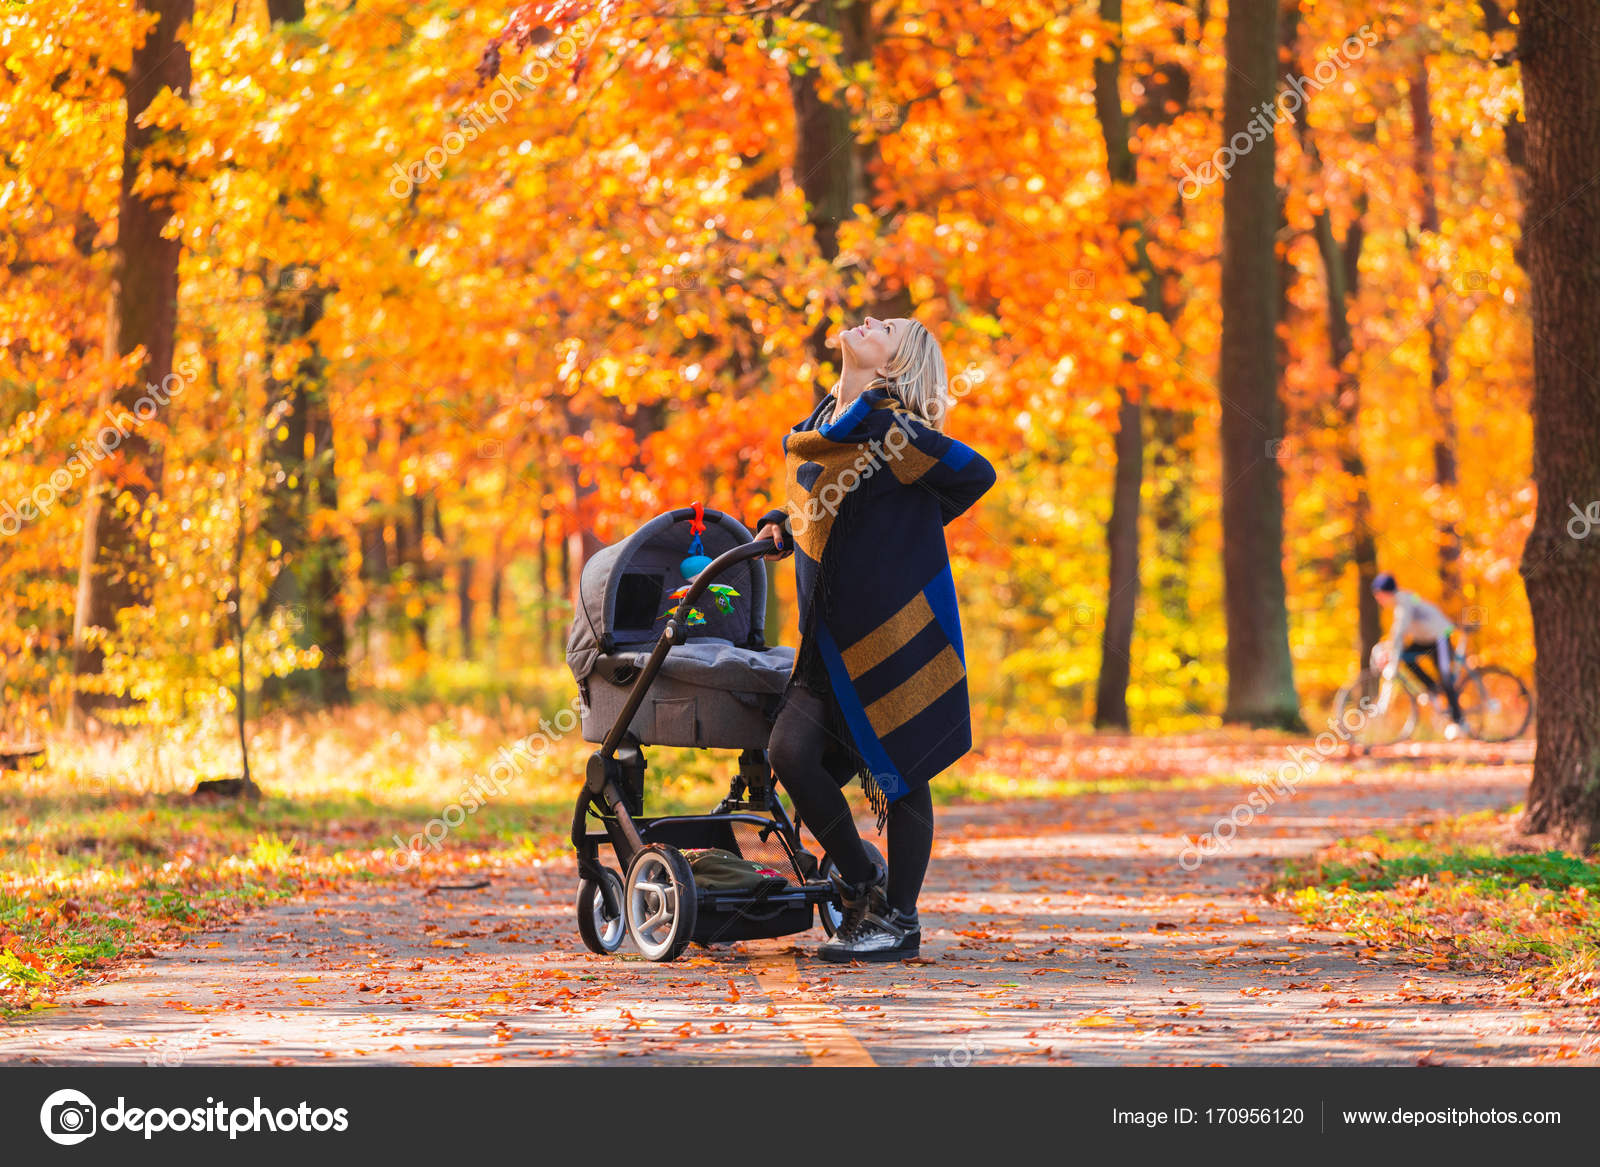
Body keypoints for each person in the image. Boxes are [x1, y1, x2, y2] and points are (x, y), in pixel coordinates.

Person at [755, 315, 995, 962]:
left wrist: (911, 528)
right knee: (791, 752)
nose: (867, 321)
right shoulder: (823, 425)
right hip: (826, 637)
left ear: (893, 365)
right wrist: (784, 522)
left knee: (903, 769)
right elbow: (829, 513)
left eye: (884, 327)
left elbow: (976, 473)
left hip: (891, 627)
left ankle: (902, 922)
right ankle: (864, 884)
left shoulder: (891, 431)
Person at [1371, 572, 1465, 738]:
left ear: (1385, 592)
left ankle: (1459, 721)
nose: (1378, 600)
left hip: (1439, 636)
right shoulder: (1399, 603)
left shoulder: (1404, 601)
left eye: (1378, 595)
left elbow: (1400, 631)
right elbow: (1397, 634)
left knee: (1445, 676)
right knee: (1405, 657)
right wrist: (1387, 649)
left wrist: (1390, 654)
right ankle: (1432, 688)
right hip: (1423, 639)